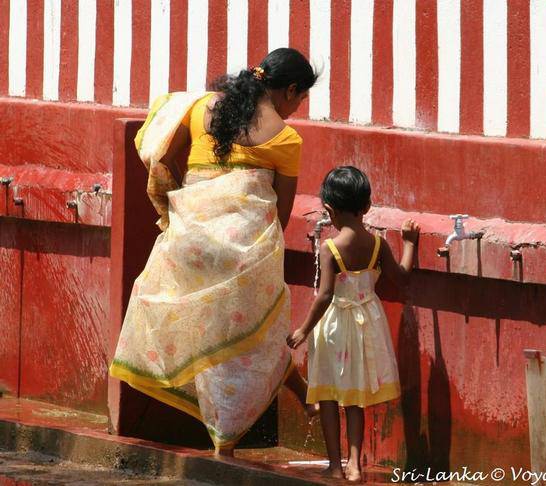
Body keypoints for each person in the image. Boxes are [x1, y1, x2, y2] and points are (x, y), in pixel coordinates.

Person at [110, 48, 318, 457]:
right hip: (242, 251)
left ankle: (290, 397)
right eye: (299, 100)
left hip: (192, 243)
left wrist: (183, 210)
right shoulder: (285, 137)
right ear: (290, 90)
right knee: (257, 333)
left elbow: (163, 157)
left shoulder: (198, 107)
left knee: (212, 333)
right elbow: (281, 211)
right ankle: (227, 440)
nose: (296, 110)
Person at [287, 166, 420, 481]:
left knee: (329, 397)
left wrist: (303, 330)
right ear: (367, 207)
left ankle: (335, 465)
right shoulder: (377, 245)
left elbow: (325, 296)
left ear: (329, 210)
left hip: (334, 327)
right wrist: (411, 243)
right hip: (366, 325)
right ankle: (355, 464)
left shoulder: (330, 247)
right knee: (355, 397)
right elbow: (400, 276)